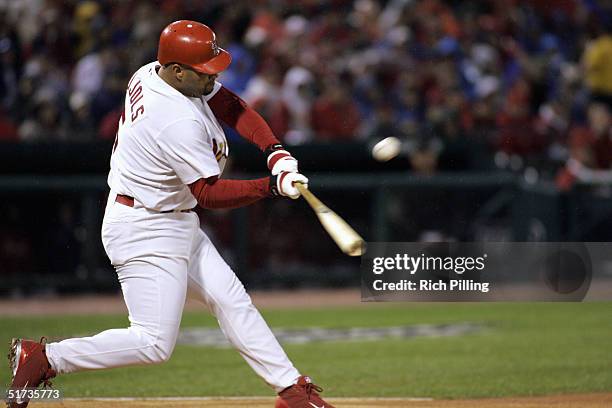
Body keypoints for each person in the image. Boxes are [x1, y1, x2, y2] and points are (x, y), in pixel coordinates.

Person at [7, 20, 335, 408]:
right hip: (145, 226)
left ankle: (291, 391)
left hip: (169, 215)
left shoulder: (155, 70)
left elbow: (229, 104)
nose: (213, 76)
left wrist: (275, 150)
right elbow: (208, 193)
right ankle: (44, 358)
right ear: (178, 71)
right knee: (153, 343)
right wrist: (271, 186)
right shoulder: (174, 119)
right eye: (204, 70)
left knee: (231, 300)